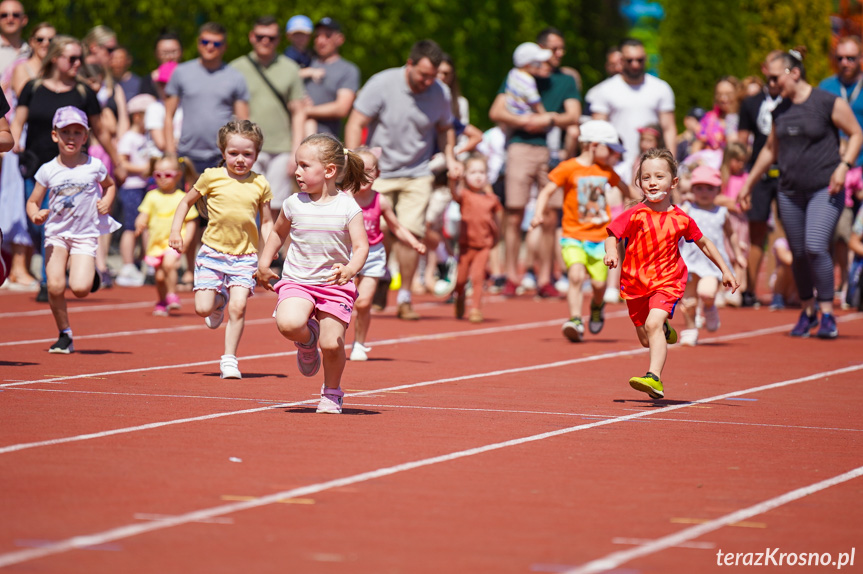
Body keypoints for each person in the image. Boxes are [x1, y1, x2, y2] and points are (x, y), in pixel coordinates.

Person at [738, 48, 863, 340]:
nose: (770, 84)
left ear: (793, 72)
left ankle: (828, 314)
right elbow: (770, 149)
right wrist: (748, 183)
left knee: (816, 246)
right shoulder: (779, 109)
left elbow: (856, 133)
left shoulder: (826, 102)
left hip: (825, 187)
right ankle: (808, 312)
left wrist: (844, 166)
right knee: (797, 254)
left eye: (773, 78)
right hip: (790, 191)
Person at [604, 148, 738, 399]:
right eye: (646, 178)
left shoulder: (681, 219)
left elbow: (705, 243)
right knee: (647, 337)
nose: (652, 182)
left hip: (667, 281)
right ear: (639, 182)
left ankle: (654, 378)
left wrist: (725, 270)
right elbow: (612, 235)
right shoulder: (634, 214)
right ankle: (665, 331)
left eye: (659, 176)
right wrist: (611, 253)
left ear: (674, 182)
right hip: (634, 283)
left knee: (653, 323)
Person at [345, 39, 460, 320]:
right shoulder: (382, 83)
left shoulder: (440, 92)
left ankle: (406, 296)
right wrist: (353, 162)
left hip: (417, 172)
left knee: (411, 233)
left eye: (433, 76)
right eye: (423, 75)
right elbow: (355, 122)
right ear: (410, 64)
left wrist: (452, 157)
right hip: (378, 172)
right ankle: (381, 274)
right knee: (376, 228)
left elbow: (446, 129)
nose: (428, 81)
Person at [255, 133, 369, 414]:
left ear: (329, 171)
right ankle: (307, 342)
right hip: (298, 281)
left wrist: (351, 269)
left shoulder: (347, 206)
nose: (297, 171)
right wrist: (264, 263)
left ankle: (332, 392)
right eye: (297, 164)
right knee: (289, 324)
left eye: (305, 166)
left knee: (331, 344)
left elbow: (361, 246)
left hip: (334, 285)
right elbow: (278, 233)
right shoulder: (294, 203)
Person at [11, 35, 125, 302]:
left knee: (62, 221)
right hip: (37, 164)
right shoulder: (33, 87)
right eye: (72, 58)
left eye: (80, 58)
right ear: (54, 58)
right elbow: (19, 120)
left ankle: (51, 278)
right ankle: (55, 272)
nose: (78, 63)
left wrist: (117, 160)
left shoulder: (84, 92)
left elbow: (100, 130)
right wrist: (12, 143)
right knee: (40, 221)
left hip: (77, 170)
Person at [168, 120, 274, 379]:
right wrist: (175, 231)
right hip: (212, 254)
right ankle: (218, 302)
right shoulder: (211, 177)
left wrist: (268, 254)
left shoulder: (260, 184)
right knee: (202, 309)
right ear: (223, 152)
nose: (240, 160)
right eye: (233, 153)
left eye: (247, 154)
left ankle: (230, 359)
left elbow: (268, 221)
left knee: (239, 307)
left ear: (257, 155)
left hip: (244, 257)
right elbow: (185, 202)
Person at [488, 36, 581, 299]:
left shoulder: (566, 80)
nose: (558, 53)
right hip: (520, 147)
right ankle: (511, 276)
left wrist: (548, 119)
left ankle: (545, 277)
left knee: (551, 214)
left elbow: (573, 115)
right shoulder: (518, 76)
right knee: (514, 211)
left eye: (561, 48)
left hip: (551, 152)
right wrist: (526, 120)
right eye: (553, 48)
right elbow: (496, 111)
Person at [24, 106, 120, 353]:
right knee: (55, 286)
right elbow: (33, 200)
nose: (71, 138)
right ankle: (64, 334)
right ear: (55, 135)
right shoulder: (48, 169)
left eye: (77, 132)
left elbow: (110, 186)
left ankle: (91, 276)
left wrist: (107, 201)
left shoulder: (94, 166)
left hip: (84, 235)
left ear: (86, 137)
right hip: (56, 233)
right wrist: (35, 214)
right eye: (65, 132)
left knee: (79, 289)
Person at [531, 120, 631, 342]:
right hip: (573, 235)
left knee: (598, 285)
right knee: (575, 275)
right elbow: (547, 191)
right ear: (594, 145)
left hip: (600, 238)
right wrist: (538, 213)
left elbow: (627, 191)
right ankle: (575, 319)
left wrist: (641, 210)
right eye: (611, 149)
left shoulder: (606, 170)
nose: (615, 154)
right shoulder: (568, 168)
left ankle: (597, 306)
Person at [349, 146, 426, 360]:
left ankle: (359, 343)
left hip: (373, 255)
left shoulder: (380, 200)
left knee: (363, 303)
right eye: (359, 170)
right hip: (347, 255)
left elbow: (397, 227)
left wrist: (414, 243)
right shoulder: (344, 198)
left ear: (378, 174)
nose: (364, 176)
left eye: (370, 170)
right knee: (341, 303)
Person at [231, 16, 306, 219]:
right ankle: (246, 250)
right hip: (246, 149)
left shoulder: (290, 68)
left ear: (278, 39)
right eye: (260, 36)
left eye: (271, 38)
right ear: (251, 37)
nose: (265, 41)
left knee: (276, 205)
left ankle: (271, 251)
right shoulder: (236, 68)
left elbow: (299, 112)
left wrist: (296, 151)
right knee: (245, 202)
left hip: (281, 148)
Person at [164, 22, 250, 174]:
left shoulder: (235, 77)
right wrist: (170, 152)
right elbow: (168, 115)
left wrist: (241, 155)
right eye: (205, 42)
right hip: (186, 155)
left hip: (222, 156)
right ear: (198, 43)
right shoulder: (181, 72)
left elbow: (243, 123)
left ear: (224, 47)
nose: (210, 47)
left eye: (216, 43)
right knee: (184, 198)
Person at [736, 50, 784, 307]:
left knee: (787, 231)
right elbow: (742, 143)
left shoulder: (794, 101)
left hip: (789, 173)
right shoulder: (751, 103)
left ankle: (783, 289)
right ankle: (749, 290)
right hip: (760, 174)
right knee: (756, 231)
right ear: (765, 69)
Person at [678, 165, 745, 346]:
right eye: (699, 188)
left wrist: (737, 254)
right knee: (689, 301)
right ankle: (691, 329)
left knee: (706, 293)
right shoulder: (687, 209)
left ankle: (709, 307)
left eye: (709, 188)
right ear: (692, 190)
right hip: (689, 261)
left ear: (718, 190)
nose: (704, 192)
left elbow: (731, 234)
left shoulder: (721, 212)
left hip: (711, 262)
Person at [135, 155, 199, 316]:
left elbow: (191, 220)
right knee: (160, 276)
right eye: (158, 175)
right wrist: (140, 223)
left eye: (168, 175)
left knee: (170, 265)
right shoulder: (152, 196)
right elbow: (144, 214)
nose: (163, 179)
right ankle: (162, 301)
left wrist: (188, 239)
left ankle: (172, 295)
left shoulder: (181, 198)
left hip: (173, 243)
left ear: (177, 175)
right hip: (155, 244)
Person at [449, 153, 502, 323]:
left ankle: (476, 309)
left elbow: (498, 221)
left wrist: (496, 238)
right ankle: (460, 297)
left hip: (483, 246)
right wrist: (452, 179)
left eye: (481, 172)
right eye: (473, 172)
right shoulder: (464, 195)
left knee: (478, 276)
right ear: (465, 175)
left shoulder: (492, 200)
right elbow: (454, 193)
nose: (478, 176)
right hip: (465, 246)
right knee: (461, 280)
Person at [114, 93, 156, 287]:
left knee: (144, 226)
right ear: (137, 116)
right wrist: (144, 169)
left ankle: (145, 262)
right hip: (132, 188)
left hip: (145, 186)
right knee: (131, 227)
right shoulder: (129, 138)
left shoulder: (147, 138)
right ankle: (128, 264)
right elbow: (123, 163)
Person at [303, 18, 360, 137]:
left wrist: (305, 111)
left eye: (327, 36)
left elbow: (342, 108)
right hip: (291, 140)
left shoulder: (348, 70)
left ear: (340, 39)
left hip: (327, 143)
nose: (320, 41)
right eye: (317, 36)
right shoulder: (304, 62)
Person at [503, 42, 551, 121]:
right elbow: (535, 103)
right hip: (525, 116)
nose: (541, 65)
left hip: (511, 113)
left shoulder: (513, 73)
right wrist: (545, 117)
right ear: (528, 64)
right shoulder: (528, 80)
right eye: (538, 63)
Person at [0, 0, 28, 78]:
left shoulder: (33, 52)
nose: (10, 19)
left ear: (24, 20)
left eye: (15, 15)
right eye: (4, 15)